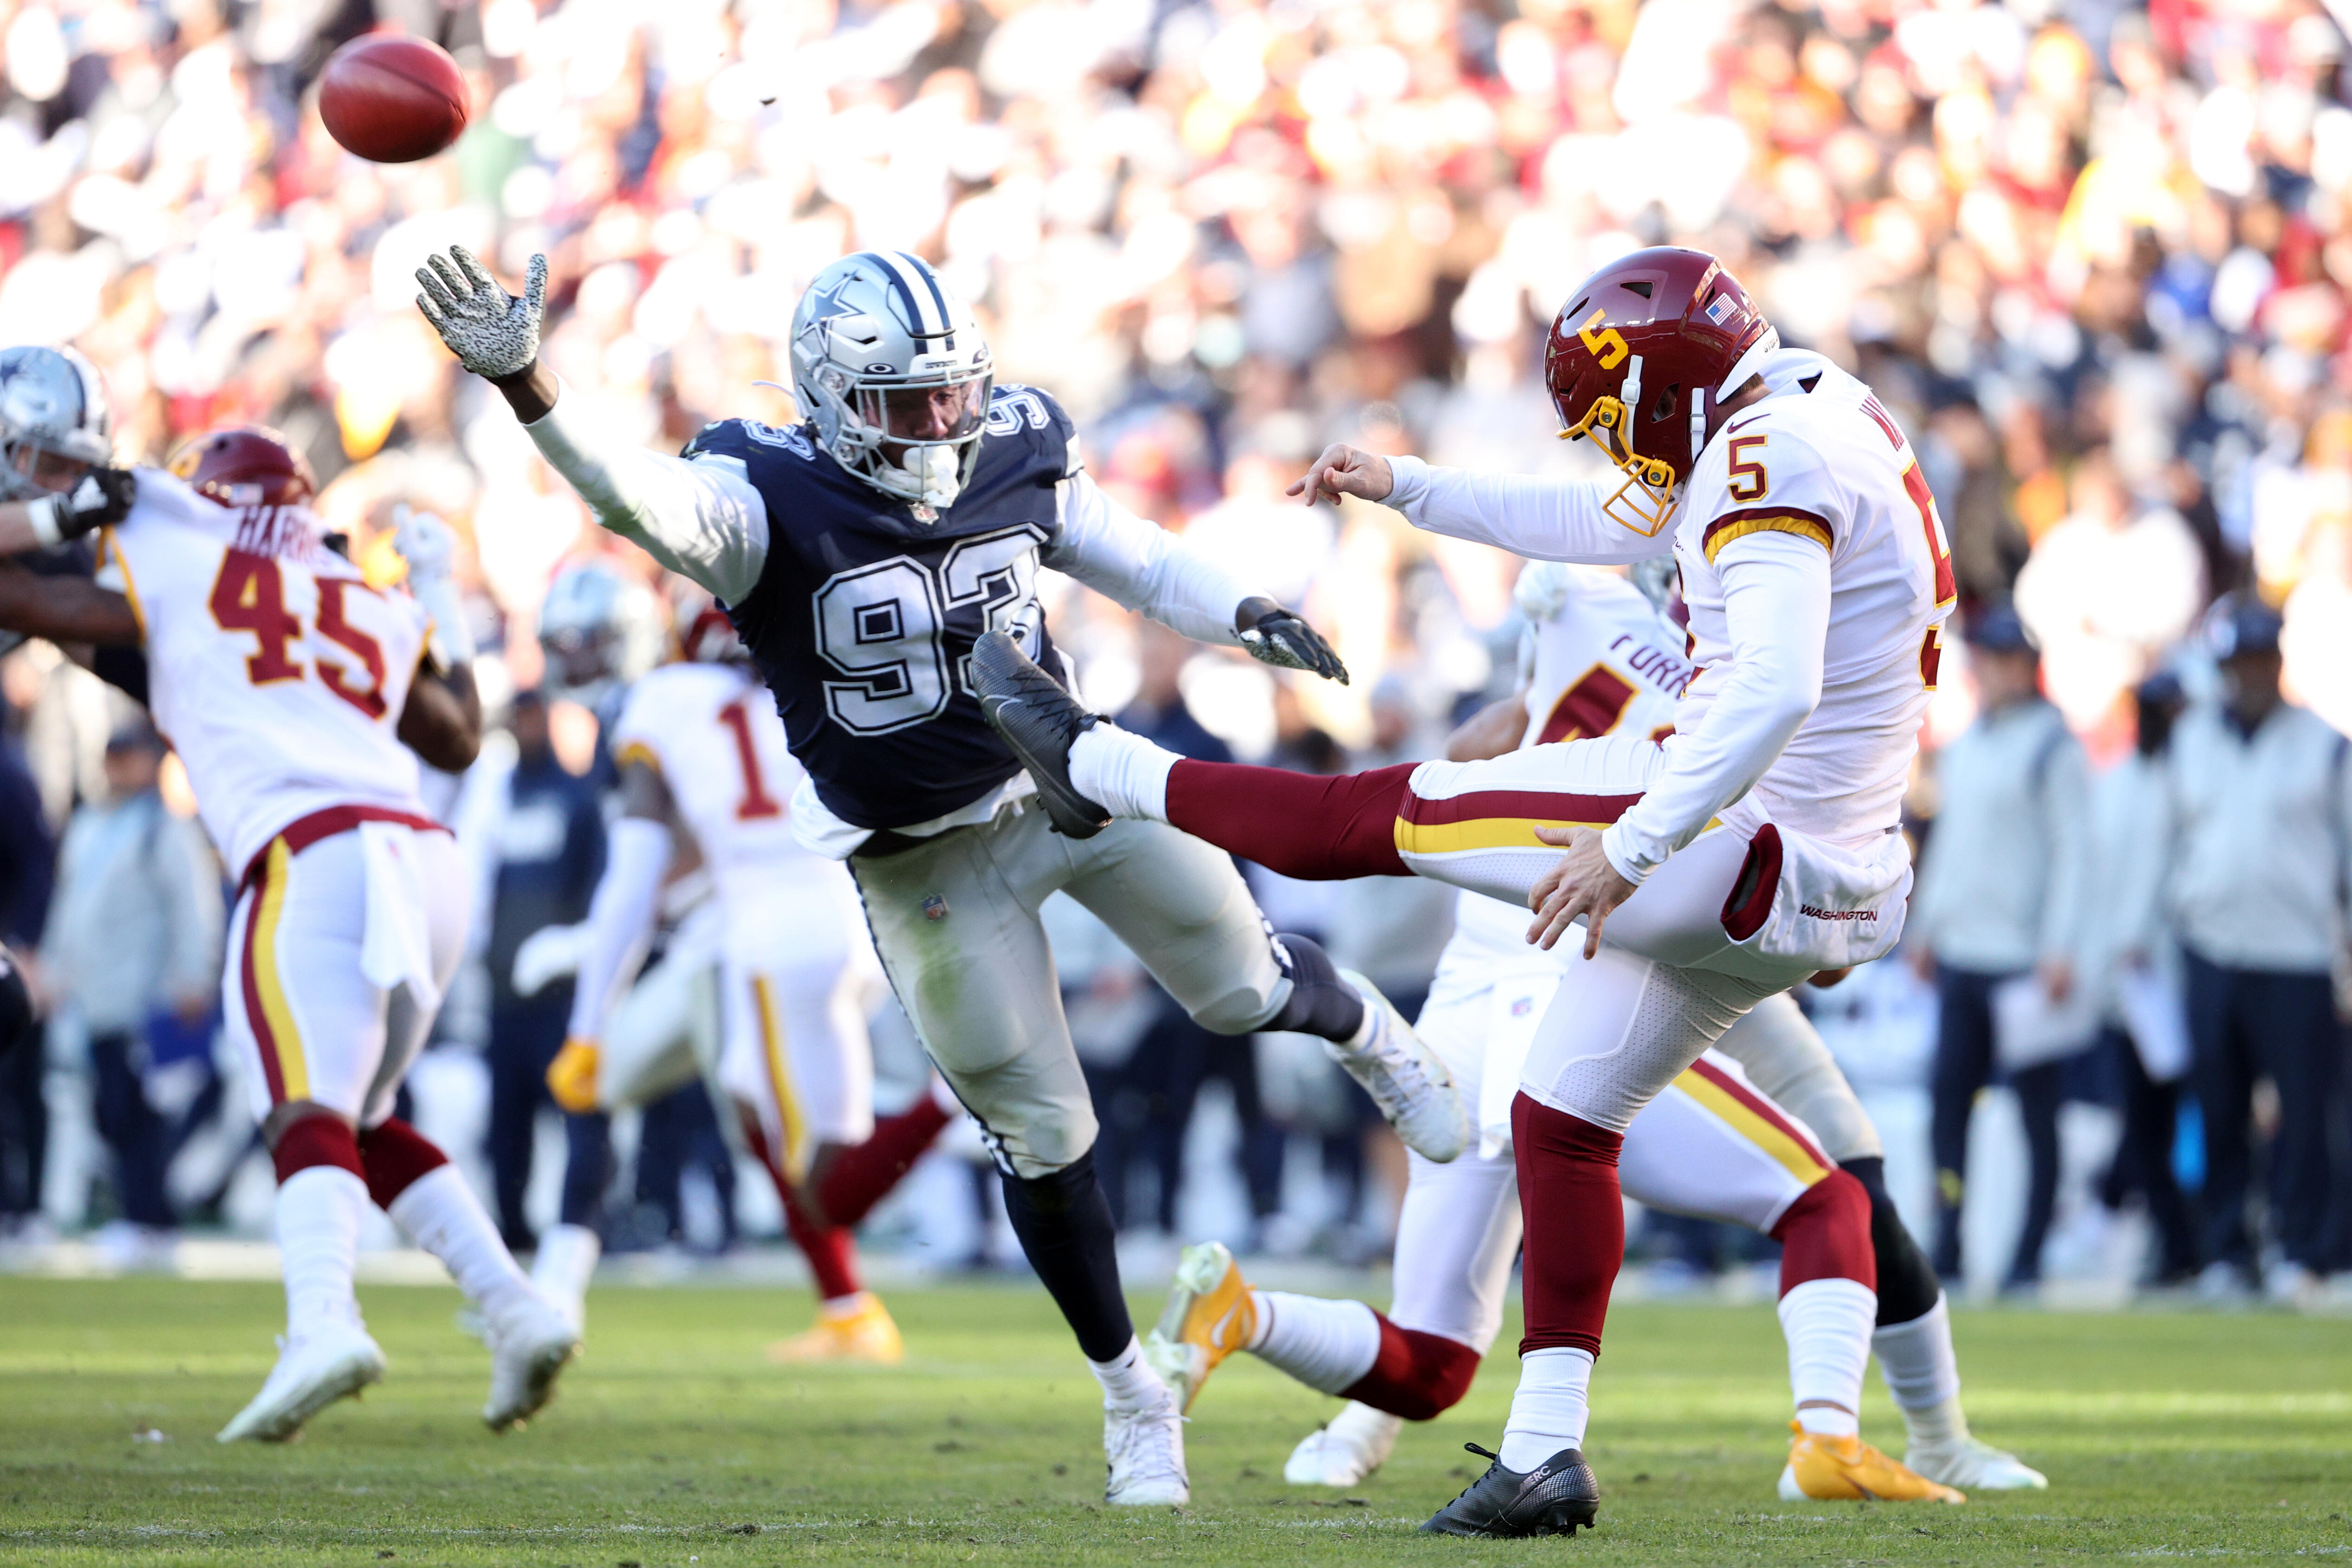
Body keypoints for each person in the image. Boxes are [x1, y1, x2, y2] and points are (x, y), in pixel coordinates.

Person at [413, 244, 1465, 1507]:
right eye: (905, 403)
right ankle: (1134, 1397)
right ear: (827, 399)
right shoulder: (762, 499)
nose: (940, 423)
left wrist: (1240, 611)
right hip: (921, 857)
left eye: (951, 392)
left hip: (1070, 783)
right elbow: (631, 502)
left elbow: (1125, 551)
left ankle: (1375, 1040)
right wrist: (532, 386)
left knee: (1240, 985)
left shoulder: (1012, 442)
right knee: (1043, 1133)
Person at [976, 246, 1964, 1535]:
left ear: (1663, 382)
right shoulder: (1798, 409)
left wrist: (1638, 844)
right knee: (1563, 1116)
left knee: (1383, 813)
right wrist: (1410, 488)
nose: (1618, 449)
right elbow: (1606, 527)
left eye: (1617, 414)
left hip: (1727, 833)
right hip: (1834, 871)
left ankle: (1093, 760)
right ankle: (1545, 1456)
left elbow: (1772, 685)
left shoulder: (1759, 457)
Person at [1145, 560, 2038, 1497]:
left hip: (1482, 987)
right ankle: (1839, 1436)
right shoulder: (1756, 672)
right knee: (1835, 1196)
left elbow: (1478, 744)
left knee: (1437, 1356)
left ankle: (1246, 1317)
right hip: (1613, 958)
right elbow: (1809, 906)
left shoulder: (1579, 610)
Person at [0, 394, 578, 1442]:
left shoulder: (177, 553)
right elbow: (455, 736)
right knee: (360, 1115)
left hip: (312, 852)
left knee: (297, 1102)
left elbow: (33, 597)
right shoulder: (356, 586)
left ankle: (324, 1321)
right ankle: (516, 1303)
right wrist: (439, 593)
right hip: (420, 858)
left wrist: (60, 517)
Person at [540, 586, 954, 1358]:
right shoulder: (804, 686)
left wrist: (589, 1025)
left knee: (826, 1186)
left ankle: (954, 1104)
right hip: (845, 918)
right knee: (748, 1094)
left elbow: (634, 878)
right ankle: (847, 1310)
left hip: (775, 942)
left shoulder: (664, 700)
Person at [2164, 597, 2351, 1303]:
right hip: (2211, 945)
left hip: (2297, 951)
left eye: (2259, 659)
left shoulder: (2326, 746)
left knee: (2303, 1110)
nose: (2249, 673)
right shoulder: (2192, 741)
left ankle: (2300, 1249)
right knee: (2217, 1105)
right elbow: (2173, 842)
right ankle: (2224, 1251)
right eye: (2237, 661)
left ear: (2277, 662)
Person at [1905, 603, 2093, 1288]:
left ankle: (2027, 1254)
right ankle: (1949, 1241)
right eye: (1983, 659)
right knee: (1947, 1112)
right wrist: (1923, 928)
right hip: (1964, 953)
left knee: (2034, 1119)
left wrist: (2060, 944)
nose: (1988, 671)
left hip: (2022, 961)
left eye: (2000, 659)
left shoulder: (2053, 745)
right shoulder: (1971, 742)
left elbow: (2075, 852)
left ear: (2026, 667)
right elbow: (1949, 847)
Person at [42, 717, 223, 1255]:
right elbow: (69, 905)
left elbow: (194, 909)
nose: (120, 765)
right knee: (108, 1109)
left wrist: (193, 977)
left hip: (146, 996)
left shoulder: (164, 828)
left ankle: (150, 1218)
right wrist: (54, 971)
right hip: (94, 995)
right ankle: (139, 1213)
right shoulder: (91, 823)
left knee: (142, 1113)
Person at [481, 687, 610, 1259]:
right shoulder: (495, 794)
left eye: (532, 715)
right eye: (517, 716)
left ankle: (577, 1225)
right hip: (504, 987)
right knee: (506, 1125)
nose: (524, 726)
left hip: (561, 992)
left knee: (578, 1114)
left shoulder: (576, 796)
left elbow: (595, 886)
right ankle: (513, 1226)